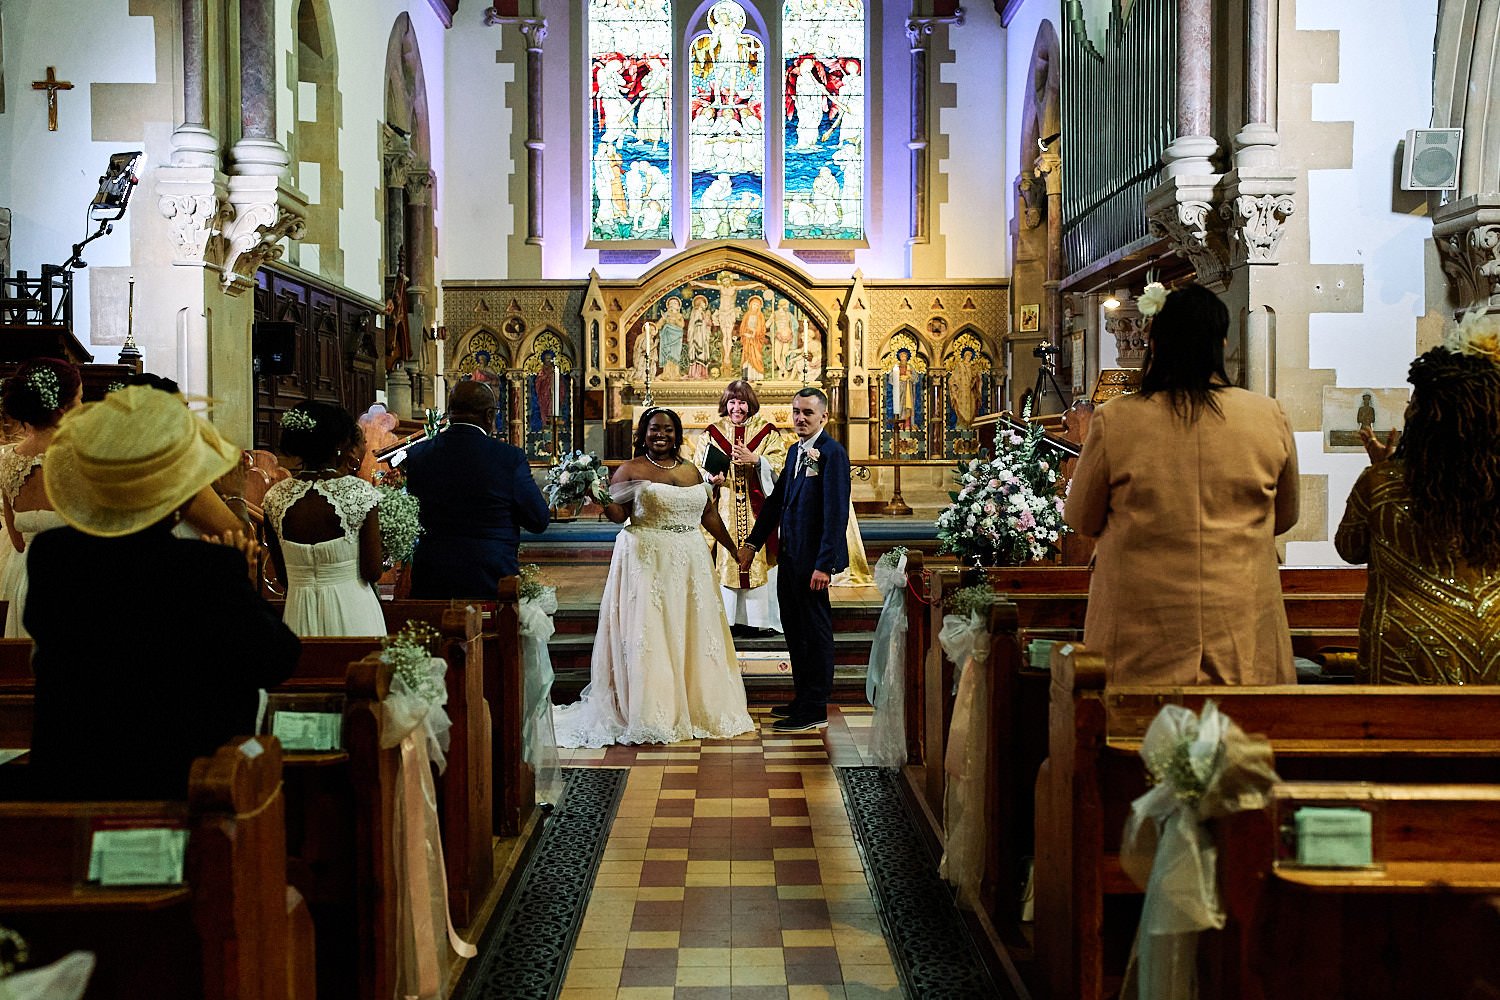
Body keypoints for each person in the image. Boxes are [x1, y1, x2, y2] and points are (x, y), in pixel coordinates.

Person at [27, 385, 299, 799]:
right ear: (176, 499)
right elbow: (275, 658)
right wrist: (242, 585)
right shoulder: (204, 568)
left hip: (73, 777)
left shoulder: (53, 557)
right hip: (177, 784)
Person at [1064, 283, 1299, 685]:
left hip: (1142, 633)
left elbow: (1082, 517)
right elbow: (1286, 516)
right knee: (1241, 724)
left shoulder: (1117, 419)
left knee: (1139, 724)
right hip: (1241, 630)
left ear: (1155, 343)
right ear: (1221, 344)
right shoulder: (1267, 416)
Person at [554, 407, 753, 747]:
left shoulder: (691, 470)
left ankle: (697, 706)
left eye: (668, 429)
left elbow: (707, 514)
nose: (661, 435)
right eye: (654, 429)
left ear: (677, 435)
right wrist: (595, 492)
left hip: (690, 564)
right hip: (648, 561)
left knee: (693, 632)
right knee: (653, 633)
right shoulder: (630, 469)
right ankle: (654, 711)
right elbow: (618, 514)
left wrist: (734, 550)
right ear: (643, 434)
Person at [1334, 331, 1500, 684]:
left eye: (1414, 402)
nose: (1408, 409)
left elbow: (1349, 548)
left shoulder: (1381, 483)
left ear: (1425, 416)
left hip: (1407, 651)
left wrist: (1383, 470)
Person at [739, 388, 851, 732]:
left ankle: (816, 706)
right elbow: (777, 502)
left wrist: (824, 565)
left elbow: (836, 513)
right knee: (795, 630)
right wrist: (753, 543)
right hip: (790, 557)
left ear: (823, 417)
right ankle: (802, 698)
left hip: (813, 562)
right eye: (796, 412)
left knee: (815, 632)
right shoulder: (794, 451)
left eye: (807, 413)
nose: (800, 418)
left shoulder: (832, 453)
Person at [403, 379, 550, 599]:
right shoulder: (508, 458)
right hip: (490, 579)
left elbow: (414, 514)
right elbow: (538, 520)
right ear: (489, 415)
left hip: (432, 578)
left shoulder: (418, 455)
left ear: (450, 411)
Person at [262, 401, 385, 636]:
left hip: (299, 612)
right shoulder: (359, 493)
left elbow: (283, 577)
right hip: (354, 611)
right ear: (339, 444)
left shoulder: (275, 498)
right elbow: (372, 571)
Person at [693, 381, 788, 637]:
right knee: (725, 560)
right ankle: (728, 620)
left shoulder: (766, 432)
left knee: (757, 560)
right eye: (732, 402)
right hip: (724, 510)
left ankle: (758, 620)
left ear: (751, 404)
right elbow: (697, 469)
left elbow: (780, 466)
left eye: (742, 402)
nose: (737, 407)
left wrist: (756, 460)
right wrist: (711, 479)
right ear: (725, 404)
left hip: (758, 511)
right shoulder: (712, 433)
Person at [0, 358, 82, 638]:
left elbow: (17, 541)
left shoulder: (7, 461)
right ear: (62, 410)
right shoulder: (85, 458)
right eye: (80, 399)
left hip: (25, 580)